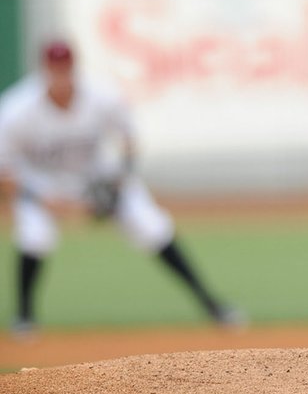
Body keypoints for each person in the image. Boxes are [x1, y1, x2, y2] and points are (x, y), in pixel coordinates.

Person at [0, 39, 244, 334]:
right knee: (35, 236)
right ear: (43, 70)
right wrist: (43, 200)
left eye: (66, 68)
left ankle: (212, 304)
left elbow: (129, 141)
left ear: (74, 67)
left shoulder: (103, 95)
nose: (61, 75)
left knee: (153, 225)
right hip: (45, 186)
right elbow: (5, 172)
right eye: (55, 69)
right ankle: (25, 317)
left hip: (99, 178)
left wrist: (118, 184)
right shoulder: (16, 108)